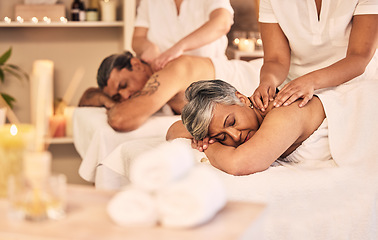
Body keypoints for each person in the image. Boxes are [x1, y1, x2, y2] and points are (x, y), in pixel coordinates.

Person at [166, 79, 328, 176]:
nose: (235, 136)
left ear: (241, 99)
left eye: (231, 122)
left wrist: (210, 145)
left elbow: (238, 164)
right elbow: (174, 130)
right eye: (223, 137)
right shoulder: (246, 120)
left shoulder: (284, 110)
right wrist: (207, 136)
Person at [78, 51, 262, 132]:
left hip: (269, 79)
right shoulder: (160, 94)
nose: (125, 97)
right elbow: (87, 97)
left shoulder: (171, 71)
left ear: (136, 64)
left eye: (123, 85)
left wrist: (111, 104)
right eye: (118, 97)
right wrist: (105, 99)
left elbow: (121, 119)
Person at [251, 0, 378, 112]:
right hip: (295, 92)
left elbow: (359, 57)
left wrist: (311, 81)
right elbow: (276, 59)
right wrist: (268, 81)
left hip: (353, 86)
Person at [132, 0, 234, 71]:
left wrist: (179, 48)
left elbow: (222, 23)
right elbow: (137, 38)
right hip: (166, 78)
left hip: (211, 78)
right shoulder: (149, 2)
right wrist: (149, 47)